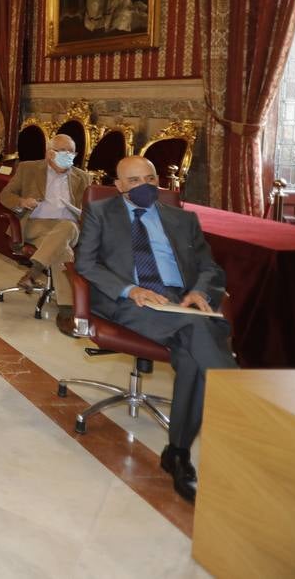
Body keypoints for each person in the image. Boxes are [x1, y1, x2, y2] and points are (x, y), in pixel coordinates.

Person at [74, 155, 237, 502]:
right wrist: (130, 289)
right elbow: (85, 263)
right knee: (200, 332)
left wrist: (197, 291)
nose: (144, 186)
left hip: (179, 301)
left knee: (192, 353)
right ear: (118, 186)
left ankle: (176, 453)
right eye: (134, 181)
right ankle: (239, 400)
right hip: (130, 302)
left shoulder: (182, 219)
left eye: (150, 178)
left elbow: (211, 267)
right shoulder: (101, 213)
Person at [0, 134, 92, 311]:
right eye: (63, 151)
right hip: (37, 225)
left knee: (67, 227)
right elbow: (5, 195)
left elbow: (90, 210)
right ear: (50, 154)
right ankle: (67, 308)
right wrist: (22, 202)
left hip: (70, 228)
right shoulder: (29, 169)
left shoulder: (83, 178)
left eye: (72, 152)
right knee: (60, 249)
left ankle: (33, 273)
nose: (69, 155)